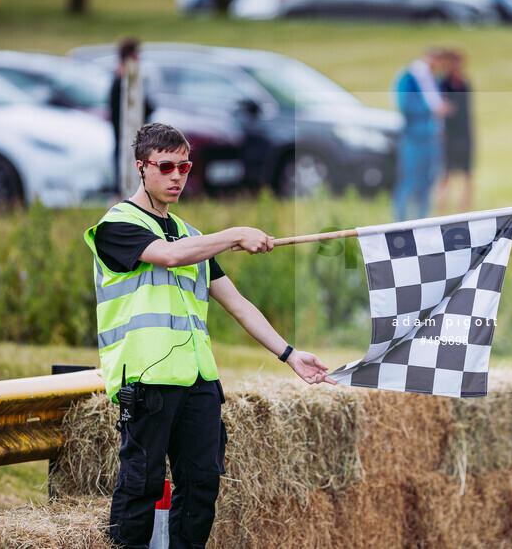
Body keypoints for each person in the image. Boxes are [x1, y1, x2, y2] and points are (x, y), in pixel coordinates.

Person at [84, 123, 335, 548]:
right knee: (141, 485)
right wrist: (235, 234)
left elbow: (237, 304)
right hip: (147, 380)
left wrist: (289, 354)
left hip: (199, 381)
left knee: (201, 486)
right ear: (142, 168)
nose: (178, 175)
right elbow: (167, 255)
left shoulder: (193, 237)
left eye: (184, 166)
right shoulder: (116, 225)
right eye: (166, 167)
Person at [390, 48, 452, 221]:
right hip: (414, 138)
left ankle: (422, 221)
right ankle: (400, 222)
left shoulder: (434, 79)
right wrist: (433, 110)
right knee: (409, 182)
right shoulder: (408, 78)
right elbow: (405, 105)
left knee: (428, 182)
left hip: (433, 138)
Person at [109, 38, 153, 198]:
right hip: (125, 137)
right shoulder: (125, 81)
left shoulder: (118, 78)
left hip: (121, 137)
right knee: (123, 178)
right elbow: (147, 106)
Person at [436, 48, 474, 214]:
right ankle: (442, 204)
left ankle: (464, 206)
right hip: (449, 133)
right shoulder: (443, 84)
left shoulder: (464, 83)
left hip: (464, 131)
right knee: (446, 171)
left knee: (467, 171)